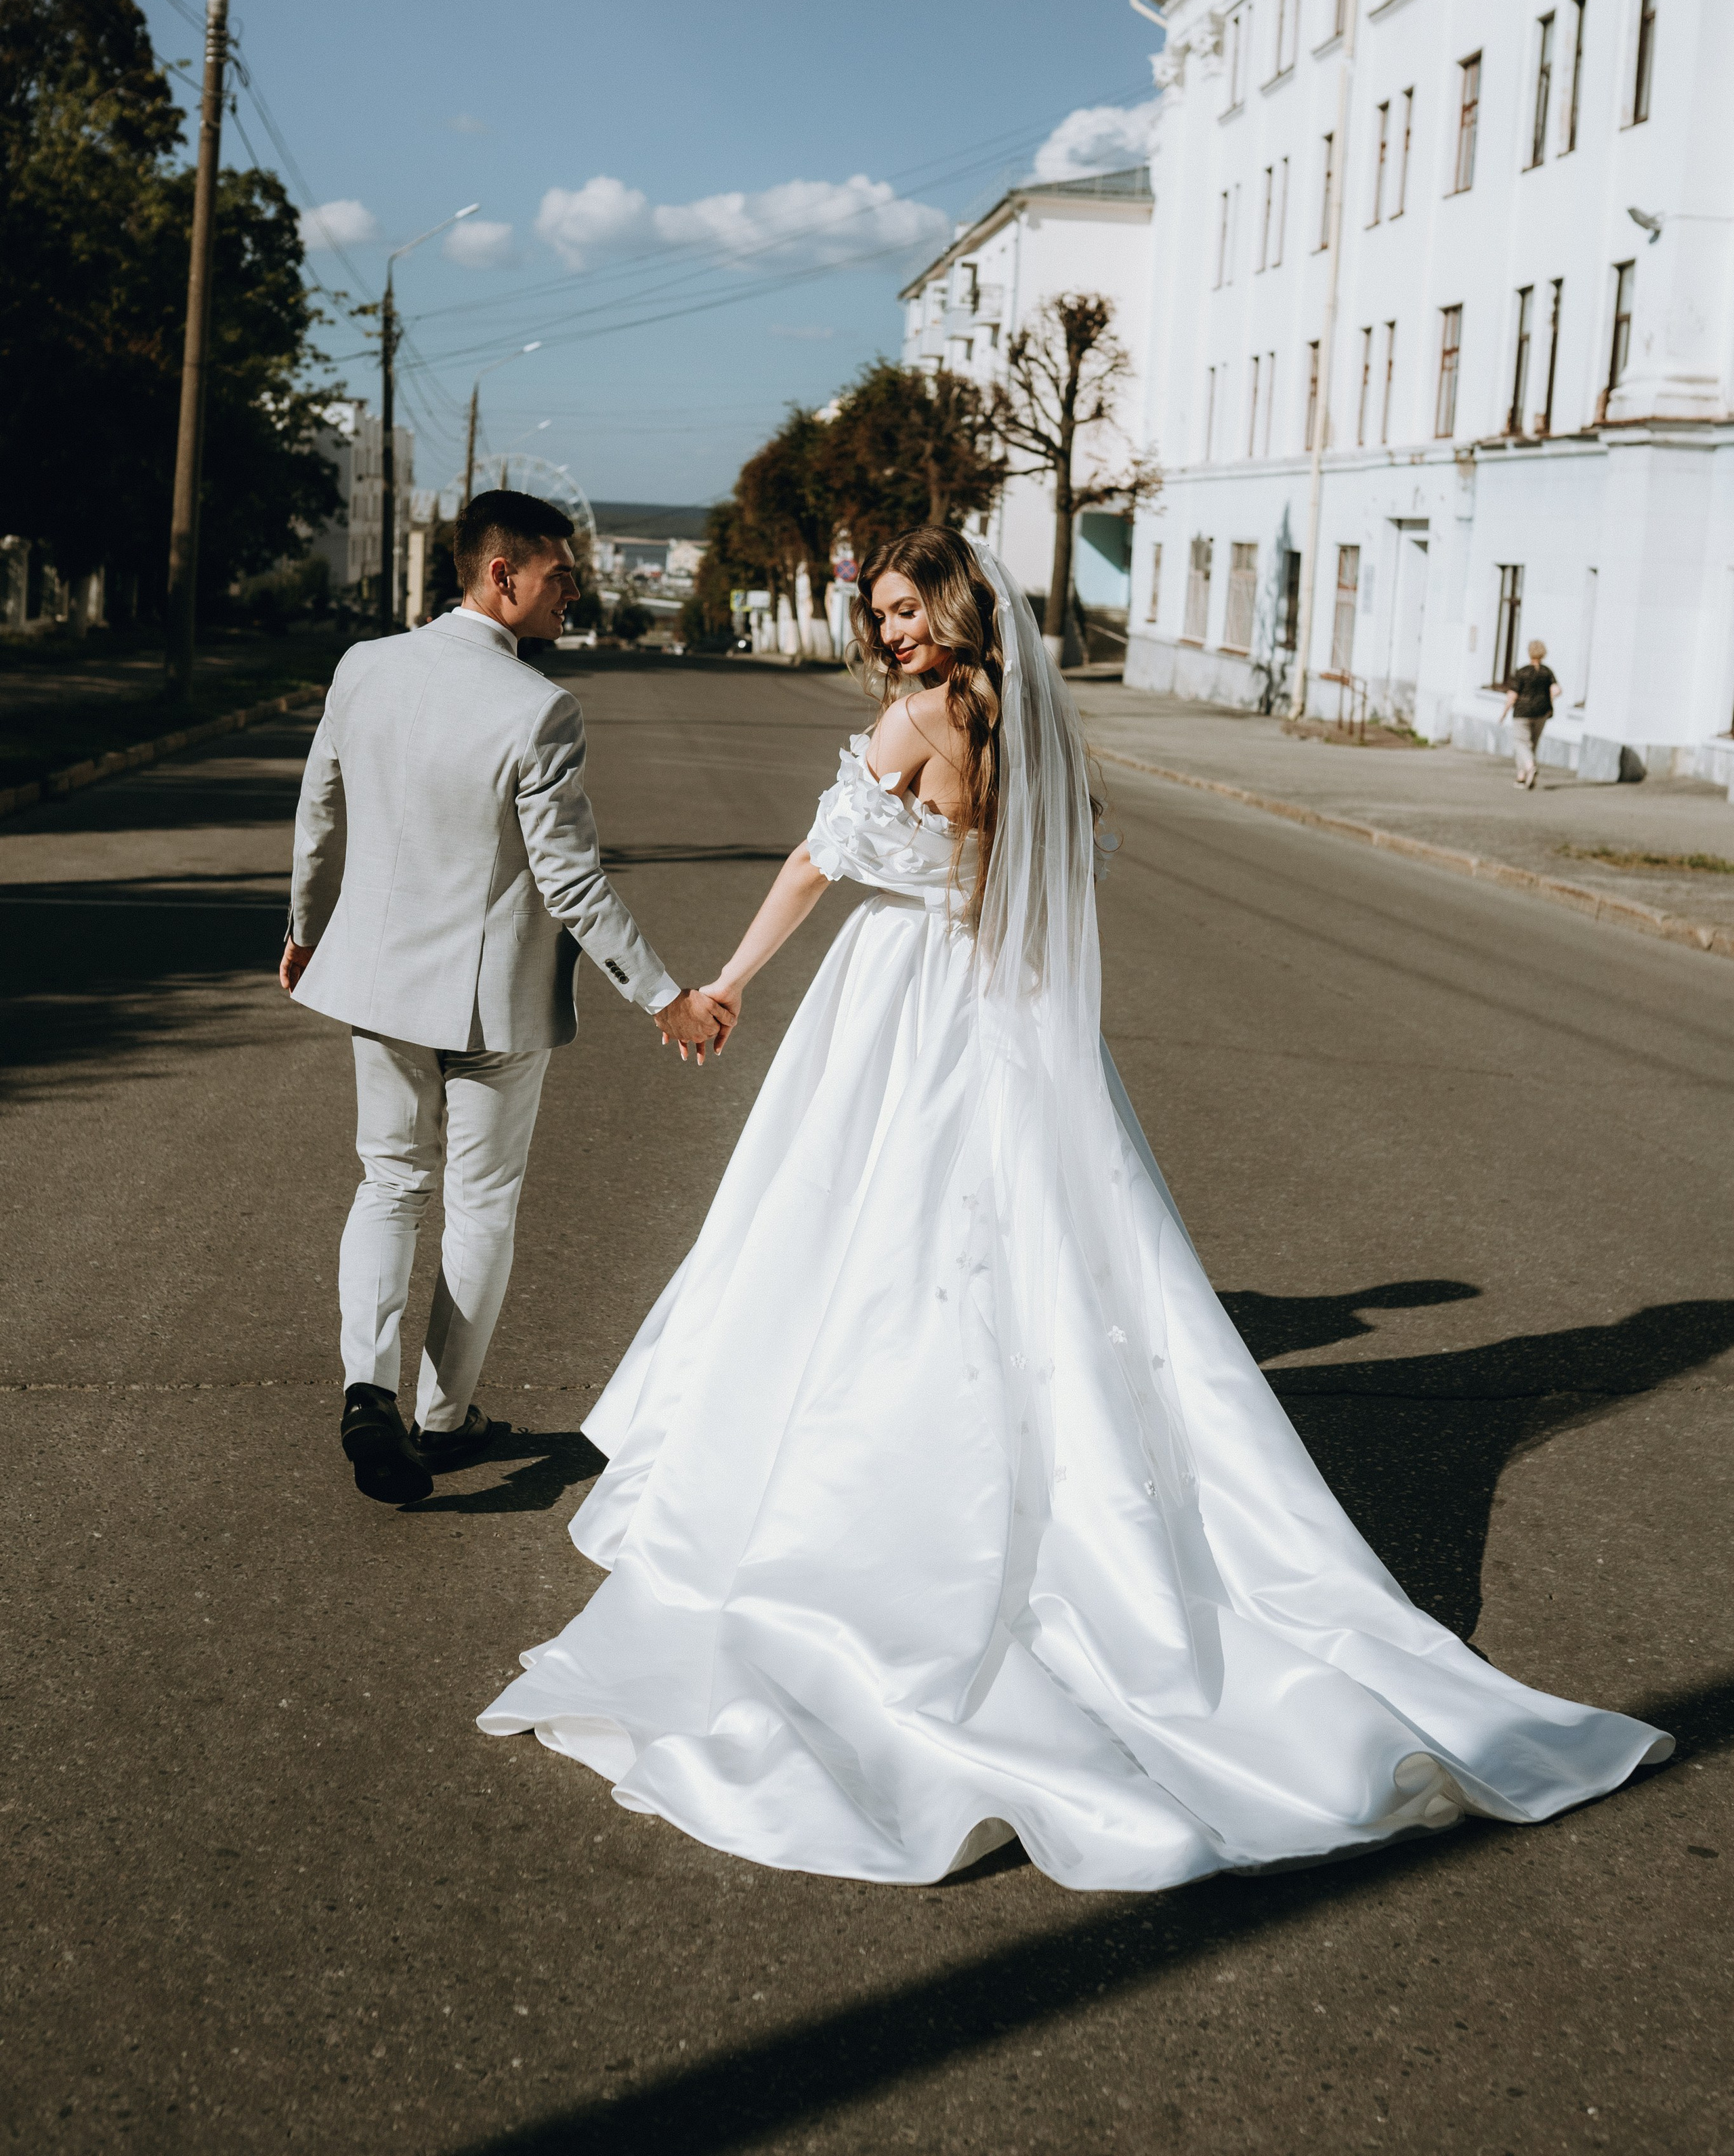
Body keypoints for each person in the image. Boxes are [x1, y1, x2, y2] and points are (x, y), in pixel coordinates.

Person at [478, 527, 1668, 1891]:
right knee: (1034, 1251)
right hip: (1009, 1006)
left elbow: (815, 864)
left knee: (873, 1245)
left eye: (903, 608)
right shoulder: (1037, 728)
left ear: (951, 608)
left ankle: (875, 1499)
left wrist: (729, 983)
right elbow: (1073, 861)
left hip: (904, 1007)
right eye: (877, 614)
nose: (888, 631)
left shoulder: (917, 721)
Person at [283, 490, 731, 1508]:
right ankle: (442, 1423)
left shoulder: (366, 668)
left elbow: (321, 807)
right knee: (479, 1203)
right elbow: (570, 884)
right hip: (492, 1005)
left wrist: (308, 930)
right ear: (504, 575)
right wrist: (663, 997)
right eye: (561, 577)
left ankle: (367, 1392)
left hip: (382, 983)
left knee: (389, 1183)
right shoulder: (539, 709)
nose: (574, 593)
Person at [1502, 639, 1562, 790]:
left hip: (1522, 712)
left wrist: (1504, 712)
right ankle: (1522, 777)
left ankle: (1529, 767)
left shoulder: (1522, 672)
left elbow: (1513, 695)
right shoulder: (1547, 672)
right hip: (1542, 712)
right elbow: (1557, 690)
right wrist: (1550, 700)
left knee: (1521, 743)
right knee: (1532, 744)